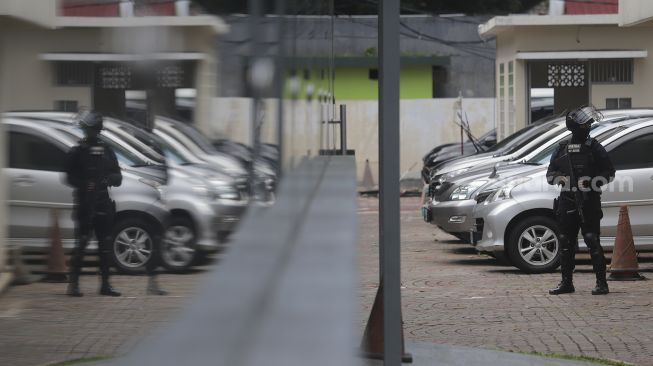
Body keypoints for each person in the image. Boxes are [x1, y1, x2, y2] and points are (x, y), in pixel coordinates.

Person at [546, 106, 615, 295]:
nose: (588, 127)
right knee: (565, 241)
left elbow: (609, 172)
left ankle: (602, 283)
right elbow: (550, 174)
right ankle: (566, 283)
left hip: (589, 200)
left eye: (588, 124)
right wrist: (562, 179)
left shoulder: (594, 147)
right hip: (567, 200)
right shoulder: (561, 148)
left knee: (592, 239)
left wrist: (592, 181)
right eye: (584, 124)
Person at [65, 111, 122, 297]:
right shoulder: (77, 151)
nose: (89, 133)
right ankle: (73, 284)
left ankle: (105, 284)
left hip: (103, 203)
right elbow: (68, 176)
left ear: (98, 130)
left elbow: (118, 176)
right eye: (86, 130)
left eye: (92, 130)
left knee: (105, 246)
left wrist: (107, 180)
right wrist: (84, 183)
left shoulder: (107, 151)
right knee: (81, 243)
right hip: (85, 203)